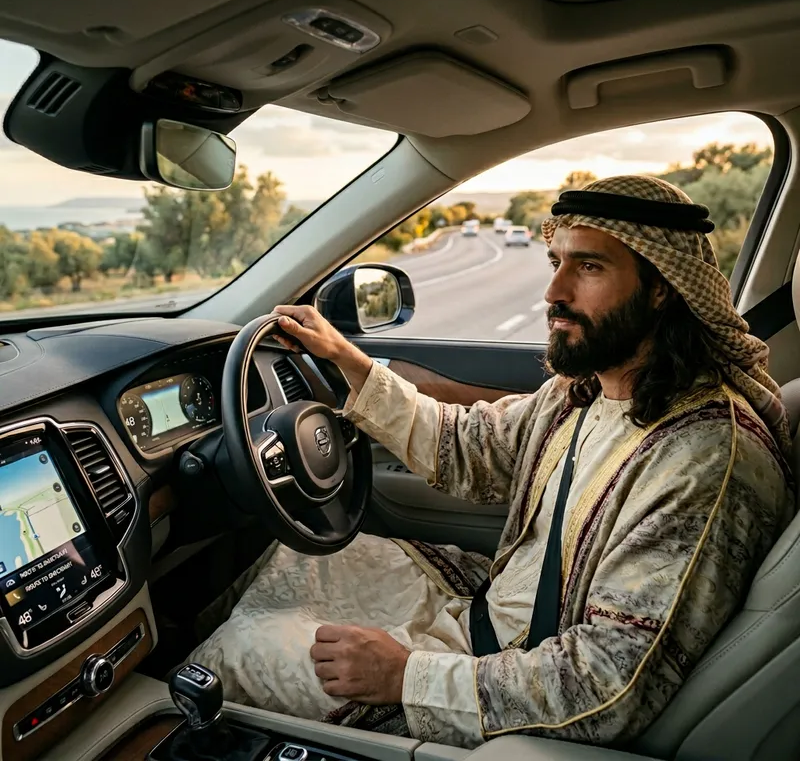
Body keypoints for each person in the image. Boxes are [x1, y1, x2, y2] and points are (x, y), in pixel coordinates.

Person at [188, 175, 794, 749]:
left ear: (662, 286)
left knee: (242, 647)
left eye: (589, 267)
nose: (554, 293)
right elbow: (469, 445)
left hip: (498, 680)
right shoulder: (587, 391)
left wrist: (406, 677)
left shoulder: (704, 458)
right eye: (558, 263)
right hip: (487, 611)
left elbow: (609, 681)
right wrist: (349, 360)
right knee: (290, 555)